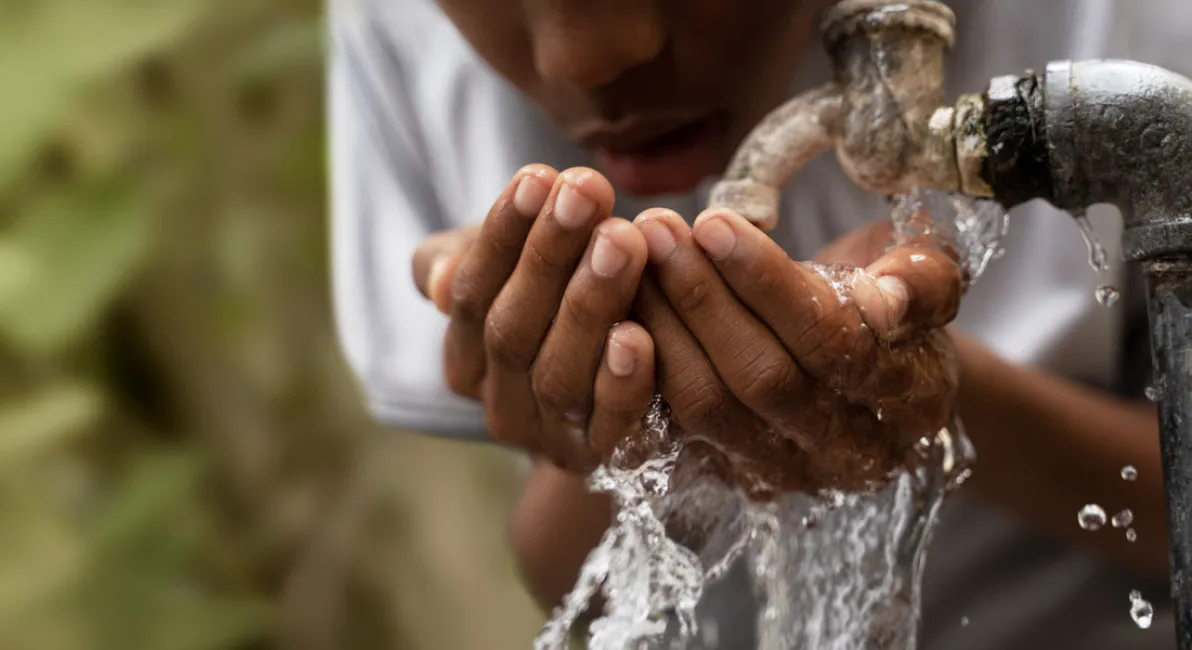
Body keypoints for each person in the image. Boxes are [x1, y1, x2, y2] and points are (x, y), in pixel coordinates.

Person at [327, 0, 1191, 646]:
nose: (588, 55)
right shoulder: (398, 28)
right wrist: (610, 420)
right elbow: (566, 582)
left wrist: (946, 402)